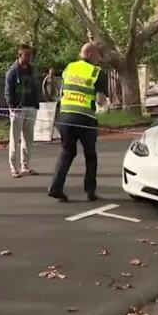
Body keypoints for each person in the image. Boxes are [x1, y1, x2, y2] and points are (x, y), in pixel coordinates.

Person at [48, 42, 108, 202]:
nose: (99, 60)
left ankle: (56, 187)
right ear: (90, 54)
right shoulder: (96, 72)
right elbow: (101, 100)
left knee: (67, 152)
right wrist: (105, 105)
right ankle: (90, 191)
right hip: (85, 119)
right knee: (90, 155)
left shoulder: (69, 68)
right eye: (98, 56)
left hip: (65, 117)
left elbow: (62, 91)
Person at [5, 44, 41, 178]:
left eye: (30, 54)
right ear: (20, 56)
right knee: (15, 139)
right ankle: (13, 167)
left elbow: (35, 88)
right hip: (18, 108)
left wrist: (36, 103)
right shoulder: (12, 72)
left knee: (28, 138)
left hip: (31, 107)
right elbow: (8, 92)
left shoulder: (32, 70)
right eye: (27, 55)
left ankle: (25, 165)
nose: (30, 57)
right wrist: (12, 107)